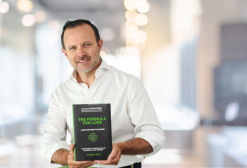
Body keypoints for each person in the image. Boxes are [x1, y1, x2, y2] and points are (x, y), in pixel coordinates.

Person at [40, 19, 165, 168]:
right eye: (73, 48)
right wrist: (67, 157)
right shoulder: (60, 94)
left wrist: (121, 147)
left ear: (99, 45)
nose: (81, 53)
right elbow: (49, 142)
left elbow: (154, 135)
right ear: (65, 53)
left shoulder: (129, 84)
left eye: (87, 44)